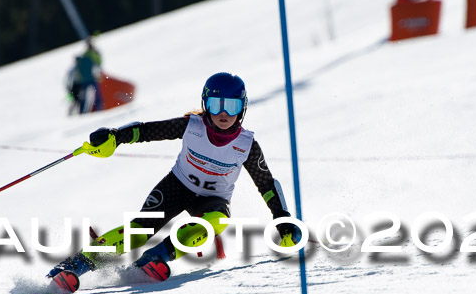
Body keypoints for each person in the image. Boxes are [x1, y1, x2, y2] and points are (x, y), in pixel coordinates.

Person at [48, 72, 301, 282]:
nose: (223, 113)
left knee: (217, 221)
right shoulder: (192, 126)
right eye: (216, 105)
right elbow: (148, 130)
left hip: (212, 200)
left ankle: (157, 257)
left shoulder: (246, 145)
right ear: (205, 105)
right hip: (176, 187)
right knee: (138, 232)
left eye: (232, 106)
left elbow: (267, 185)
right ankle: (78, 264)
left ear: (242, 108)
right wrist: (115, 136)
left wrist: (283, 219)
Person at [66, 36, 103, 114]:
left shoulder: (91, 54)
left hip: (89, 79)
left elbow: (98, 64)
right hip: (85, 80)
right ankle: (84, 112)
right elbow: (98, 64)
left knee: (94, 96)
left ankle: (98, 109)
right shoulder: (88, 54)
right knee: (83, 98)